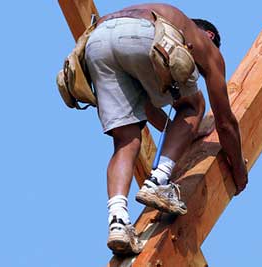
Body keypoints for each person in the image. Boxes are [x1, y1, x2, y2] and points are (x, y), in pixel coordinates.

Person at [84, 3, 248, 255]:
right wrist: (239, 169)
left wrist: (181, 131)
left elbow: (148, 108)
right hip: (140, 35)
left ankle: (117, 220)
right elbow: (225, 122)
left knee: (126, 140)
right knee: (195, 104)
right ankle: (158, 182)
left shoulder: (159, 13)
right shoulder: (202, 42)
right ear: (210, 37)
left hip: (96, 43)